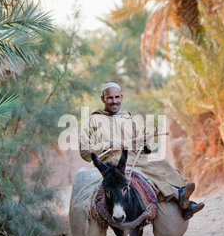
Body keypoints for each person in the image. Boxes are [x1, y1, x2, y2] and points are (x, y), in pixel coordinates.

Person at [79, 82, 204, 220]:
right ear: (103, 99)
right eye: (110, 98)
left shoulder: (127, 117)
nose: (114, 101)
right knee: (145, 168)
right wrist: (108, 145)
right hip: (111, 162)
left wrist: (143, 142)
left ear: (121, 97)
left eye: (117, 97)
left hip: (132, 157)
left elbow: (139, 145)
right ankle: (178, 196)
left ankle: (183, 197)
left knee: (160, 161)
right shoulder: (93, 120)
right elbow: (84, 151)